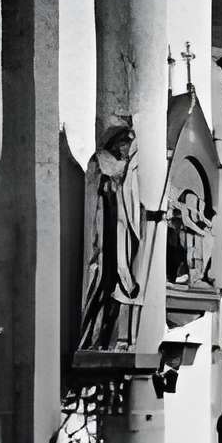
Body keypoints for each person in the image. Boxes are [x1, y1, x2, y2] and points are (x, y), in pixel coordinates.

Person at [77, 118, 152, 352]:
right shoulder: (104, 171)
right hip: (106, 246)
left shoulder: (124, 175)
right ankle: (94, 341)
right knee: (103, 287)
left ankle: (104, 341)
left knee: (112, 293)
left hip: (116, 241)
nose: (126, 152)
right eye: (124, 147)